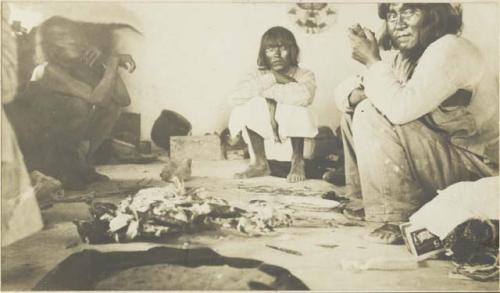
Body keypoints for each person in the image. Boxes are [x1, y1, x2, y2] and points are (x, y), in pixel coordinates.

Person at [334, 3, 498, 243]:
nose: (398, 23)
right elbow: (343, 96)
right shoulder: (407, 57)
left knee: (371, 112)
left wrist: (372, 62)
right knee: (353, 113)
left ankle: (399, 216)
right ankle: (365, 201)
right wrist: (360, 90)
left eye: (409, 11)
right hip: (448, 156)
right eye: (392, 15)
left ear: (434, 15)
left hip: (478, 168)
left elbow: (399, 110)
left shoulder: (451, 48)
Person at [5, 16, 137, 189]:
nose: (72, 39)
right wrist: (113, 61)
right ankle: (58, 170)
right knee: (79, 106)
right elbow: (98, 99)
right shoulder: (48, 69)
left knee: (112, 108)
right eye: (61, 36)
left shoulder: (82, 64)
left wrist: (106, 61)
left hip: (65, 143)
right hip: (38, 149)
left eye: (73, 34)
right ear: (51, 45)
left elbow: (122, 99)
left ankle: (81, 166)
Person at [228, 26, 317, 183]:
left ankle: (297, 162)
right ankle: (260, 163)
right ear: (264, 53)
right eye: (270, 49)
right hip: (265, 142)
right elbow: (234, 98)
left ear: (293, 51)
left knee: (295, 102)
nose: (276, 55)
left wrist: (265, 89)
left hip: (296, 146)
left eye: (282, 48)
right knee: (245, 104)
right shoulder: (255, 73)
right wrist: (273, 77)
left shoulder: (305, 74)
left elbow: (305, 96)